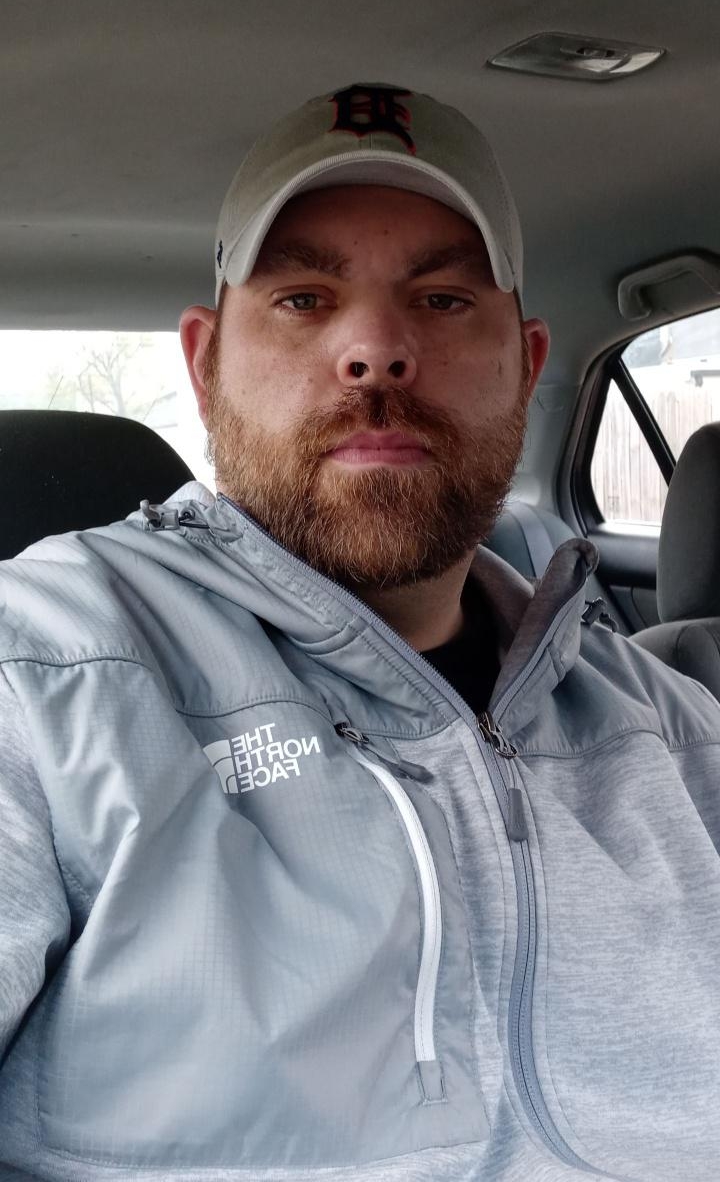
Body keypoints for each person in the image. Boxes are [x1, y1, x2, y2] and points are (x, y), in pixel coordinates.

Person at [0, 82, 719, 1182]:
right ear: (204, 365)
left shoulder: (678, 729)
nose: (376, 349)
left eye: (443, 299)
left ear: (529, 365)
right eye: (302, 298)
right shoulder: (46, 671)